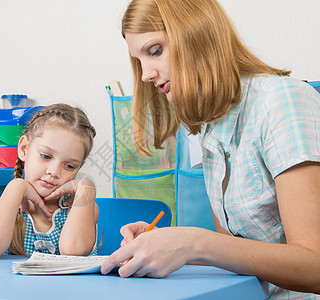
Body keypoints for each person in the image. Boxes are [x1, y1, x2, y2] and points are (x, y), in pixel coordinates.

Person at [100, 0, 320, 298]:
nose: (145, 75)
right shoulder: (209, 127)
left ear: (198, 35)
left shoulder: (283, 101)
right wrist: (166, 244)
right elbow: (233, 248)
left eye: (155, 51)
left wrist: (193, 241)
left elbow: (314, 266)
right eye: (139, 60)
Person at [0, 103, 99, 259]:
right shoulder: (3, 208)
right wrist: (17, 187)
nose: (54, 171)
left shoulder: (82, 208)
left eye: (69, 166)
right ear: (24, 149)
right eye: (46, 156)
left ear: (79, 167)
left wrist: (86, 188)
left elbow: (73, 251)